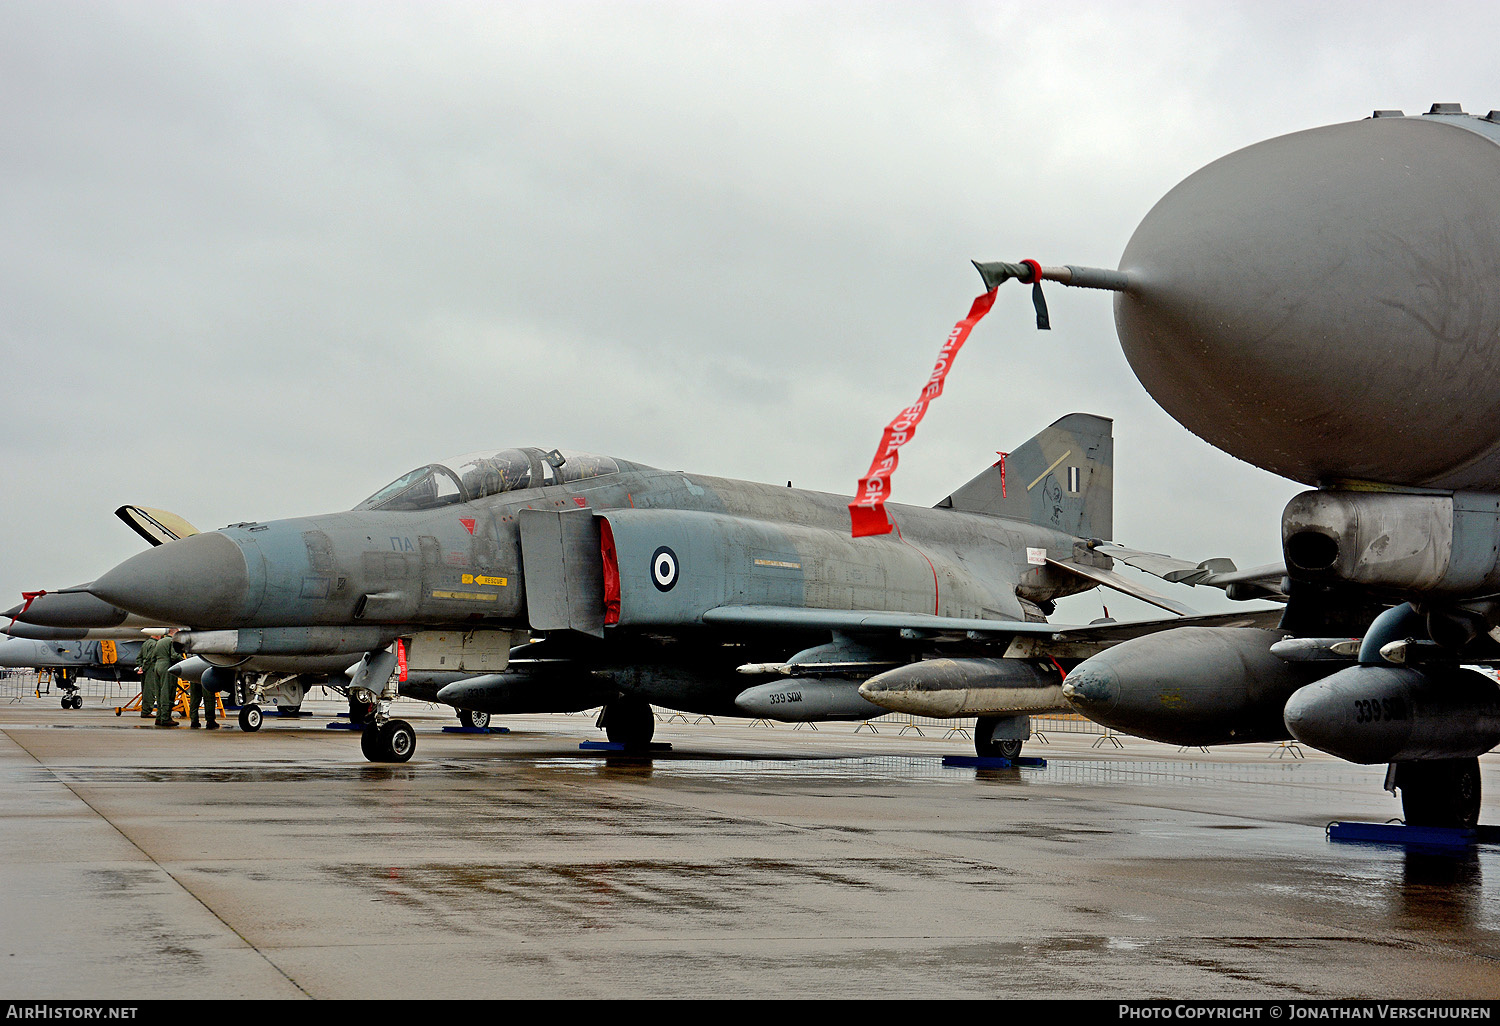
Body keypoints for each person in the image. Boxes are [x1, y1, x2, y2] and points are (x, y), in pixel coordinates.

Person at [150, 632, 182, 728]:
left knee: (159, 693)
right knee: (167, 692)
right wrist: (184, 661)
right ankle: (166, 718)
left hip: (157, 666)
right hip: (167, 666)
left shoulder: (159, 642)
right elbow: (174, 656)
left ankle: (159, 718)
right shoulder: (172, 641)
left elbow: (153, 657)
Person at [137, 635, 161, 720]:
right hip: (150, 668)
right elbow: (149, 658)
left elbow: (139, 657)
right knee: (150, 690)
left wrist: (140, 667)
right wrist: (144, 667)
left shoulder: (146, 643)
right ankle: (146, 711)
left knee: (145, 690)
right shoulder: (155, 644)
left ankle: (145, 710)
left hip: (145, 669)